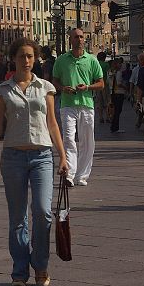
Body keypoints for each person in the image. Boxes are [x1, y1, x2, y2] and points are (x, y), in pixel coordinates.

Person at [0, 38, 68, 286]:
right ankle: (20, 271)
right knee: (18, 217)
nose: (26, 61)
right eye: (22, 56)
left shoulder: (46, 88)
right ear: (14, 59)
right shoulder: (2, 90)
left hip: (42, 156)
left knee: (42, 211)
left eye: (30, 56)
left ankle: (40, 264)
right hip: (13, 157)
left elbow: (52, 123)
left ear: (35, 59)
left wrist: (63, 156)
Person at [52, 28, 104, 187]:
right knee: (68, 138)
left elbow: (101, 83)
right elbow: (54, 81)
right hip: (67, 105)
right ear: (70, 40)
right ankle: (69, 174)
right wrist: (63, 88)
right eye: (76, 37)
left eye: (81, 37)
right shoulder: (61, 60)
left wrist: (87, 87)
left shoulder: (92, 60)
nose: (79, 39)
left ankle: (82, 175)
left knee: (87, 141)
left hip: (87, 105)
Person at [109, 58, 128, 134]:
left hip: (112, 93)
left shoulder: (110, 72)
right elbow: (119, 83)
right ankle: (115, 127)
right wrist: (125, 87)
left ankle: (113, 126)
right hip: (119, 93)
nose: (121, 65)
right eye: (120, 63)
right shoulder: (119, 73)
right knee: (118, 111)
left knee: (115, 111)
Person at [95, 52, 110, 123]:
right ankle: (107, 117)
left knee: (99, 101)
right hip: (105, 85)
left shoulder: (96, 64)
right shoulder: (106, 65)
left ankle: (101, 117)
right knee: (107, 101)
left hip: (97, 85)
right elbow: (109, 74)